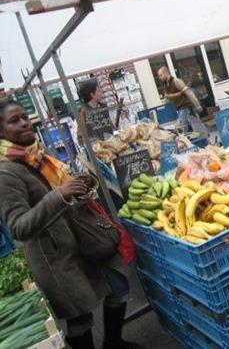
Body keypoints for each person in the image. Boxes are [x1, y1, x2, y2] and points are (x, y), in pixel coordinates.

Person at [0, 100, 141, 349]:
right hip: (55, 257)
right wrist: (59, 195)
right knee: (80, 317)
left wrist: (77, 185)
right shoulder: (6, 173)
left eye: (24, 116)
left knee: (118, 286)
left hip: (82, 239)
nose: (23, 123)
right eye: (14, 121)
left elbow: (57, 191)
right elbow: (18, 227)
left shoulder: (37, 155)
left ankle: (113, 342)